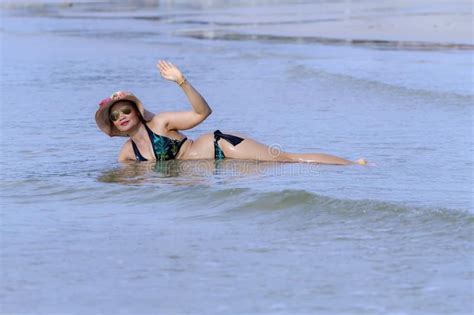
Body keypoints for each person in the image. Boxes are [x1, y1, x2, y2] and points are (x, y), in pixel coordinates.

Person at [95, 60, 367, 165]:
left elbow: (203, 112)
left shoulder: (161, 122)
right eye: (116, 116)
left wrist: (182, 81)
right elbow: (129, 181)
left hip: (221, 148)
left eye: (126, 110)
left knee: (288, 160)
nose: (122, 117)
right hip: (216, 171)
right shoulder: (128, 154)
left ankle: (354, 165)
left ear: (136, 109)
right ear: (113, 126)